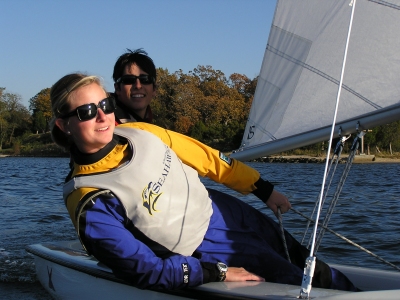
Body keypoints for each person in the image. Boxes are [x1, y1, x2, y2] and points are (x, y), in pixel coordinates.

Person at [50, 73, 358, 291]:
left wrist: (261, 189)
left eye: (105, 105)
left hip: (226, 211)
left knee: (305, 261)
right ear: (64, 125)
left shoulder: (142, 131)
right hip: (202, 251)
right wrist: (215, 273)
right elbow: (146, 270)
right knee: (291, 279)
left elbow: (207, 158)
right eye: (87, 112)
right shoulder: (89, 200)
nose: (102, 116)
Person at [112, 48, 156, 124]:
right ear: (117, 88)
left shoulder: (155, 131)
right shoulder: (105, 126)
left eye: (145, 79)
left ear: (154, 89)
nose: (138, 86)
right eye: (129, 79)